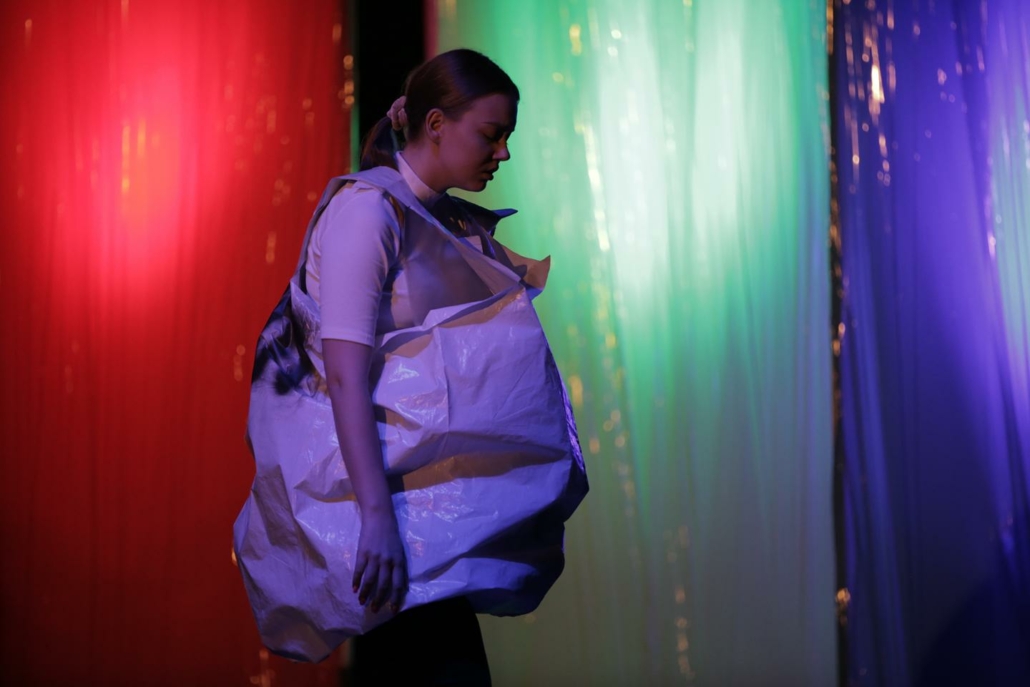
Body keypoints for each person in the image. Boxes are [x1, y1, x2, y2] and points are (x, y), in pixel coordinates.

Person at [233, 49, 588, 686]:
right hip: (380, 510)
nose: (503, 152)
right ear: (435, 124)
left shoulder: (423, 213)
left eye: (507, 136)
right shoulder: (367, 212)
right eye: (491, 134)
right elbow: (344, 374)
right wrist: (375, 517)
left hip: (416, 511)